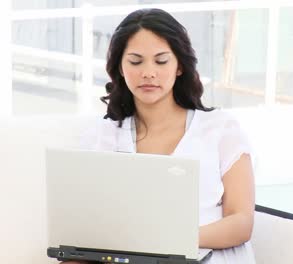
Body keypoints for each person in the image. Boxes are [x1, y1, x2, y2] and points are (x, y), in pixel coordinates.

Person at [61, 8, 256, 264]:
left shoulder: (220, 129)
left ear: (179, 67)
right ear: (120, 67)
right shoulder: (101, 136)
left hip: (205, 255)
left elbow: (241, 223)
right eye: (135, 61)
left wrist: (166, 239)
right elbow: (88, 228)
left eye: (161, 61)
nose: (148, 73)